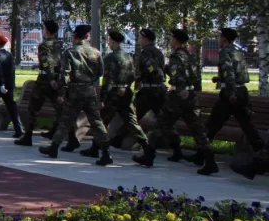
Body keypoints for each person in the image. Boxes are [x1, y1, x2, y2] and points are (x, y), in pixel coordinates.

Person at [135, 29, 216, 174]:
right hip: (191, 95)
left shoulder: (176, 57)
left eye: (172, 39)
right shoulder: (191, 56)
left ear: (177, 40)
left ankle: (149, 156)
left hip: (180, 97)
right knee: (197, 130)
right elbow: (196, 77)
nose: (171, 41)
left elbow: (177, 76)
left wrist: (179, 90)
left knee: (161, 123)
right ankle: (210, 160)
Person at [39, 25, 112, 165]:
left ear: (74, 36)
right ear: (87, 37)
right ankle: (106, 152)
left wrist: (61, 92)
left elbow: (65, 75)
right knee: (96, 122)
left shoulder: (70, 52)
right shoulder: (96, 53)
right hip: (90, 91)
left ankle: (54, 148)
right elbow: (100, 72)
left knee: (65, 121)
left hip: (75, 91)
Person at [200, 28, 264, 178]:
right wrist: (220, 78)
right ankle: (260, 158)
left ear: (224, 39)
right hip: (242, 92)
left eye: (219, 36)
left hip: (230, 94)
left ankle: (208, 162)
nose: (218, 39)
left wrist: (230, 92)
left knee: (211, 126)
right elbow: (240, 73)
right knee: (248, 127)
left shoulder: (224, 52)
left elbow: (229, 72)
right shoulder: (237, 51)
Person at [15, 20, 76, 149]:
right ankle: (72, 138)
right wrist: (56, 79)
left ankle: (28, 136)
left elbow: (46, 63)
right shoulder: (59, 45)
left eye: (43, 29)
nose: (43, 31)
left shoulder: (43, 45)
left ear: (47, 31)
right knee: (61, 110)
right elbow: (57, 62)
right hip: (57, 78)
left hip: (44, 81)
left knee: (33, 108)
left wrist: (49, 78)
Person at [98, 31, 153, 159]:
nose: (108, 43)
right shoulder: (128, 57)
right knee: (132, 122)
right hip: (126, 92)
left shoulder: (111, 58)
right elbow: (133, 76)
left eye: (109, 41)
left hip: (114, 93)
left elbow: (108, 80)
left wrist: (103, 97)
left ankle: (103, 151)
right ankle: (146, 146)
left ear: (112, 41)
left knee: (101, 121)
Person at [0, 34, 23, 138]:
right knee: (12, 107)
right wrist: (9, 85)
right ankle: (19, 129)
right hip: (9, 86)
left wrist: (1, 84)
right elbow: (11, 71)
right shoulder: (9, 55)